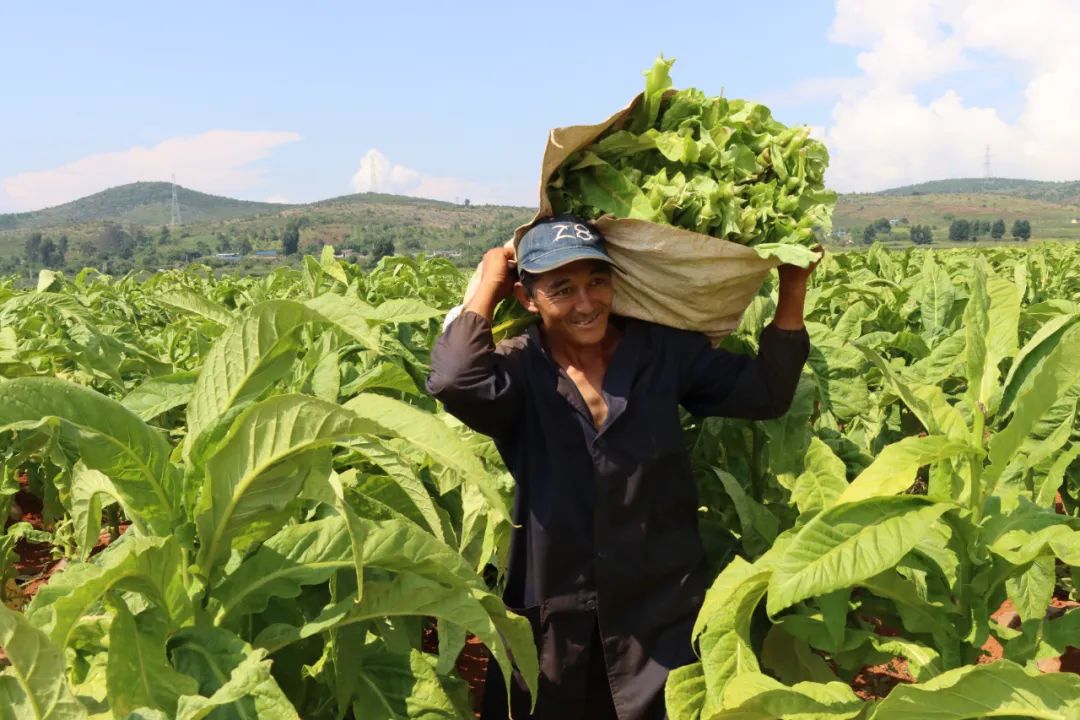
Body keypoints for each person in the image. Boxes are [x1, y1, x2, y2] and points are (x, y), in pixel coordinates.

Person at [426, 215, 815, 720]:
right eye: (562, 289)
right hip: (556, 608)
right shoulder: (518, 369)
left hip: (660, 605)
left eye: (597, 281)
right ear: (527, 298)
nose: (586, 304)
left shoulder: (659, 350)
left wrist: (793, 284)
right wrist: (488, 284)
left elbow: (767, 392)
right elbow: (454, 378)